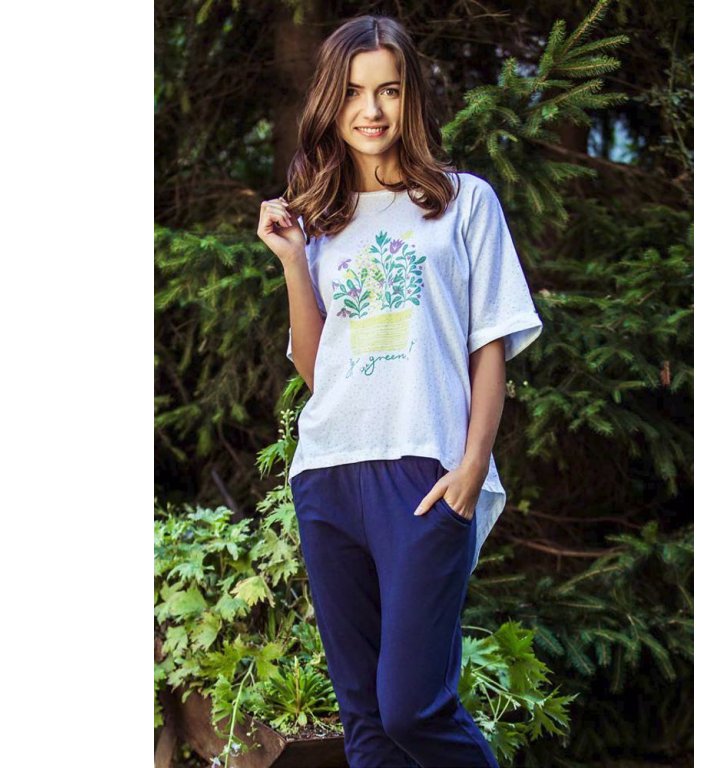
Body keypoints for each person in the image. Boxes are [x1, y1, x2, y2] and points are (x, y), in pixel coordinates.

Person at [257, 14, 543, 768]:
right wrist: (293, 261)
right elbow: (318, 371)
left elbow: (490, 344)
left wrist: (472, 466)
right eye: (354, 92)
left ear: (411, 95)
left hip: (424, 472)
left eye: (388, 90)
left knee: (413, 709)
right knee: (367, 726)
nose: (371, 109)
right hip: (328, 475)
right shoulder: (320, 222)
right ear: (332, 101)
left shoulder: (463, 202)